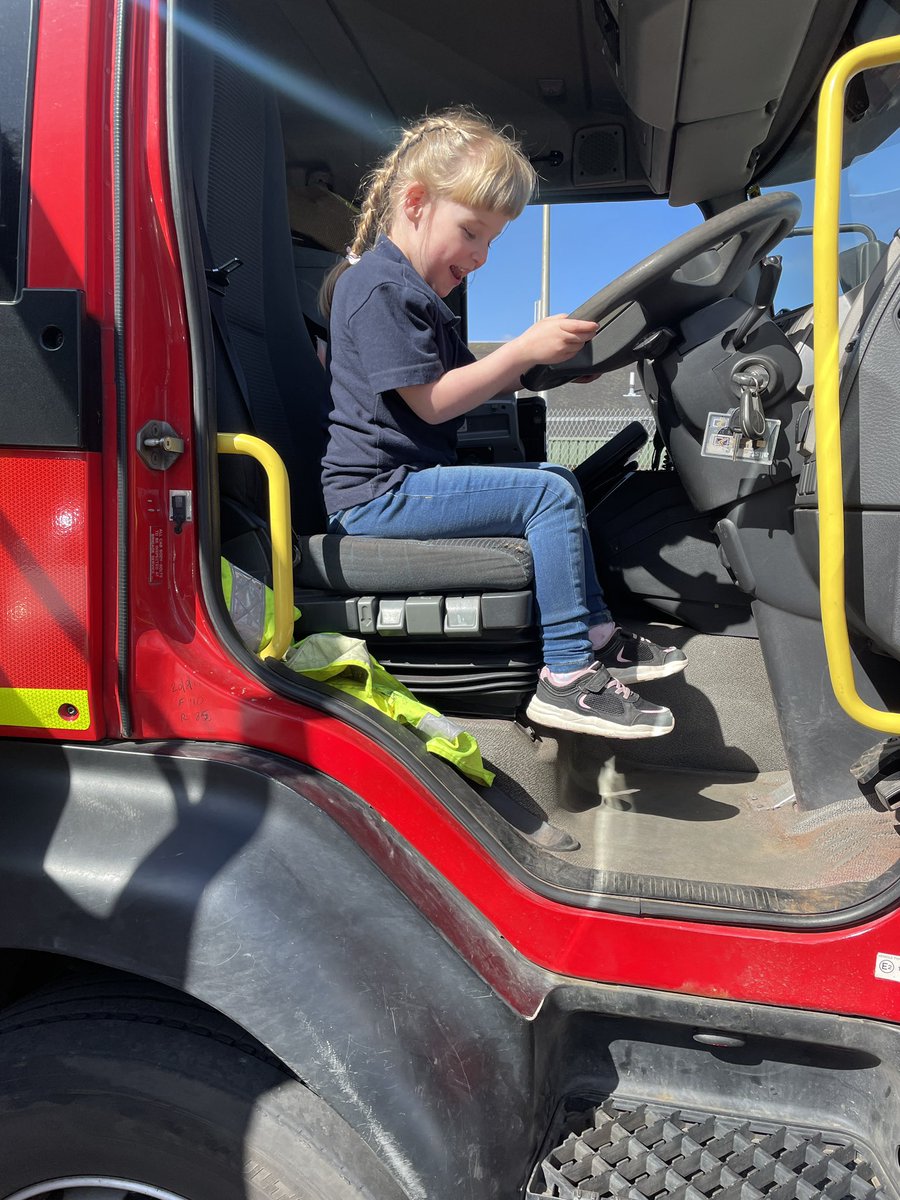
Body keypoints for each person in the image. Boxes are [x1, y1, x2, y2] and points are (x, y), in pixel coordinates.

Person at [320, 108, 686, 738]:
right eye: (471, 232)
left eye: (491, 242)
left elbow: (477, 381)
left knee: (556, 480)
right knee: (546, 492)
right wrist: (521, 349)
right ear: (414, 203)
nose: (482, 256)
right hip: (374, 496)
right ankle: (566, 676)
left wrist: (554, 369)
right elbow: (434, 402)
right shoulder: (381, 288)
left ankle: (593, 630)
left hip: (403, 482)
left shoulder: (418, 296)